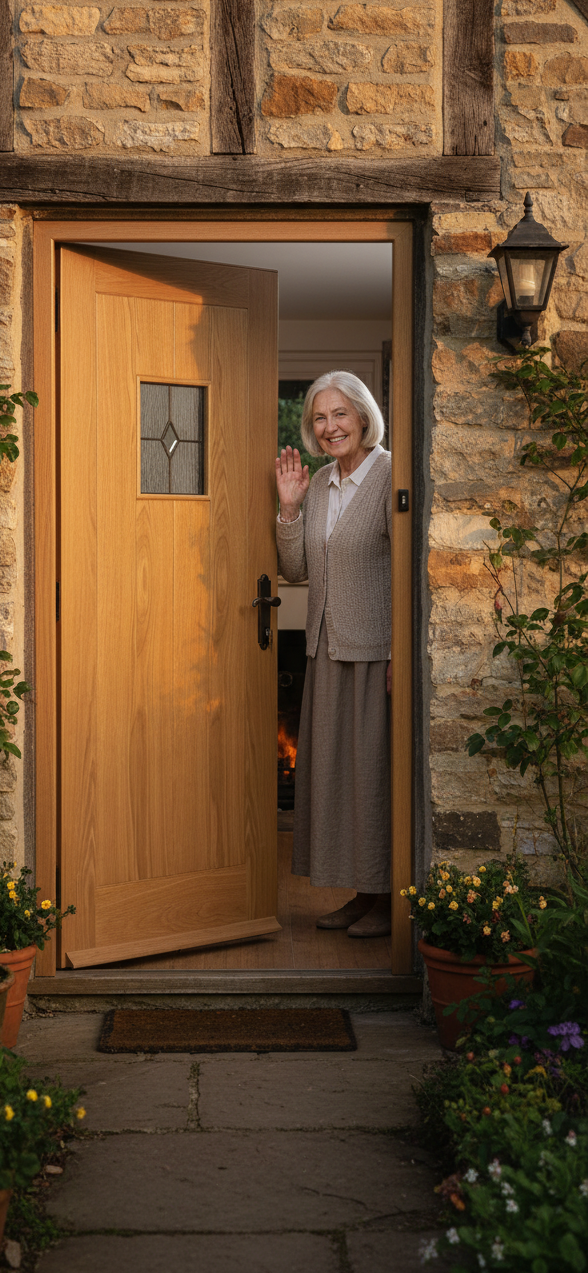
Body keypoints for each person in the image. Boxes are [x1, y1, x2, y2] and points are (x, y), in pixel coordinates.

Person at [275, 370, 391, 938]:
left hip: (374, 653)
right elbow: (294, 572)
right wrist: (290, 509)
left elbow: (407, 576)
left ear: (364, 416)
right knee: (337, 780)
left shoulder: (392, 474)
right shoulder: (319, 484)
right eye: (319, 418)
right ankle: (360, 893)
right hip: (324, 649)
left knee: (372, 777)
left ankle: (387, 899)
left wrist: (400, 656)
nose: (329, 427)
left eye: (339, 414)